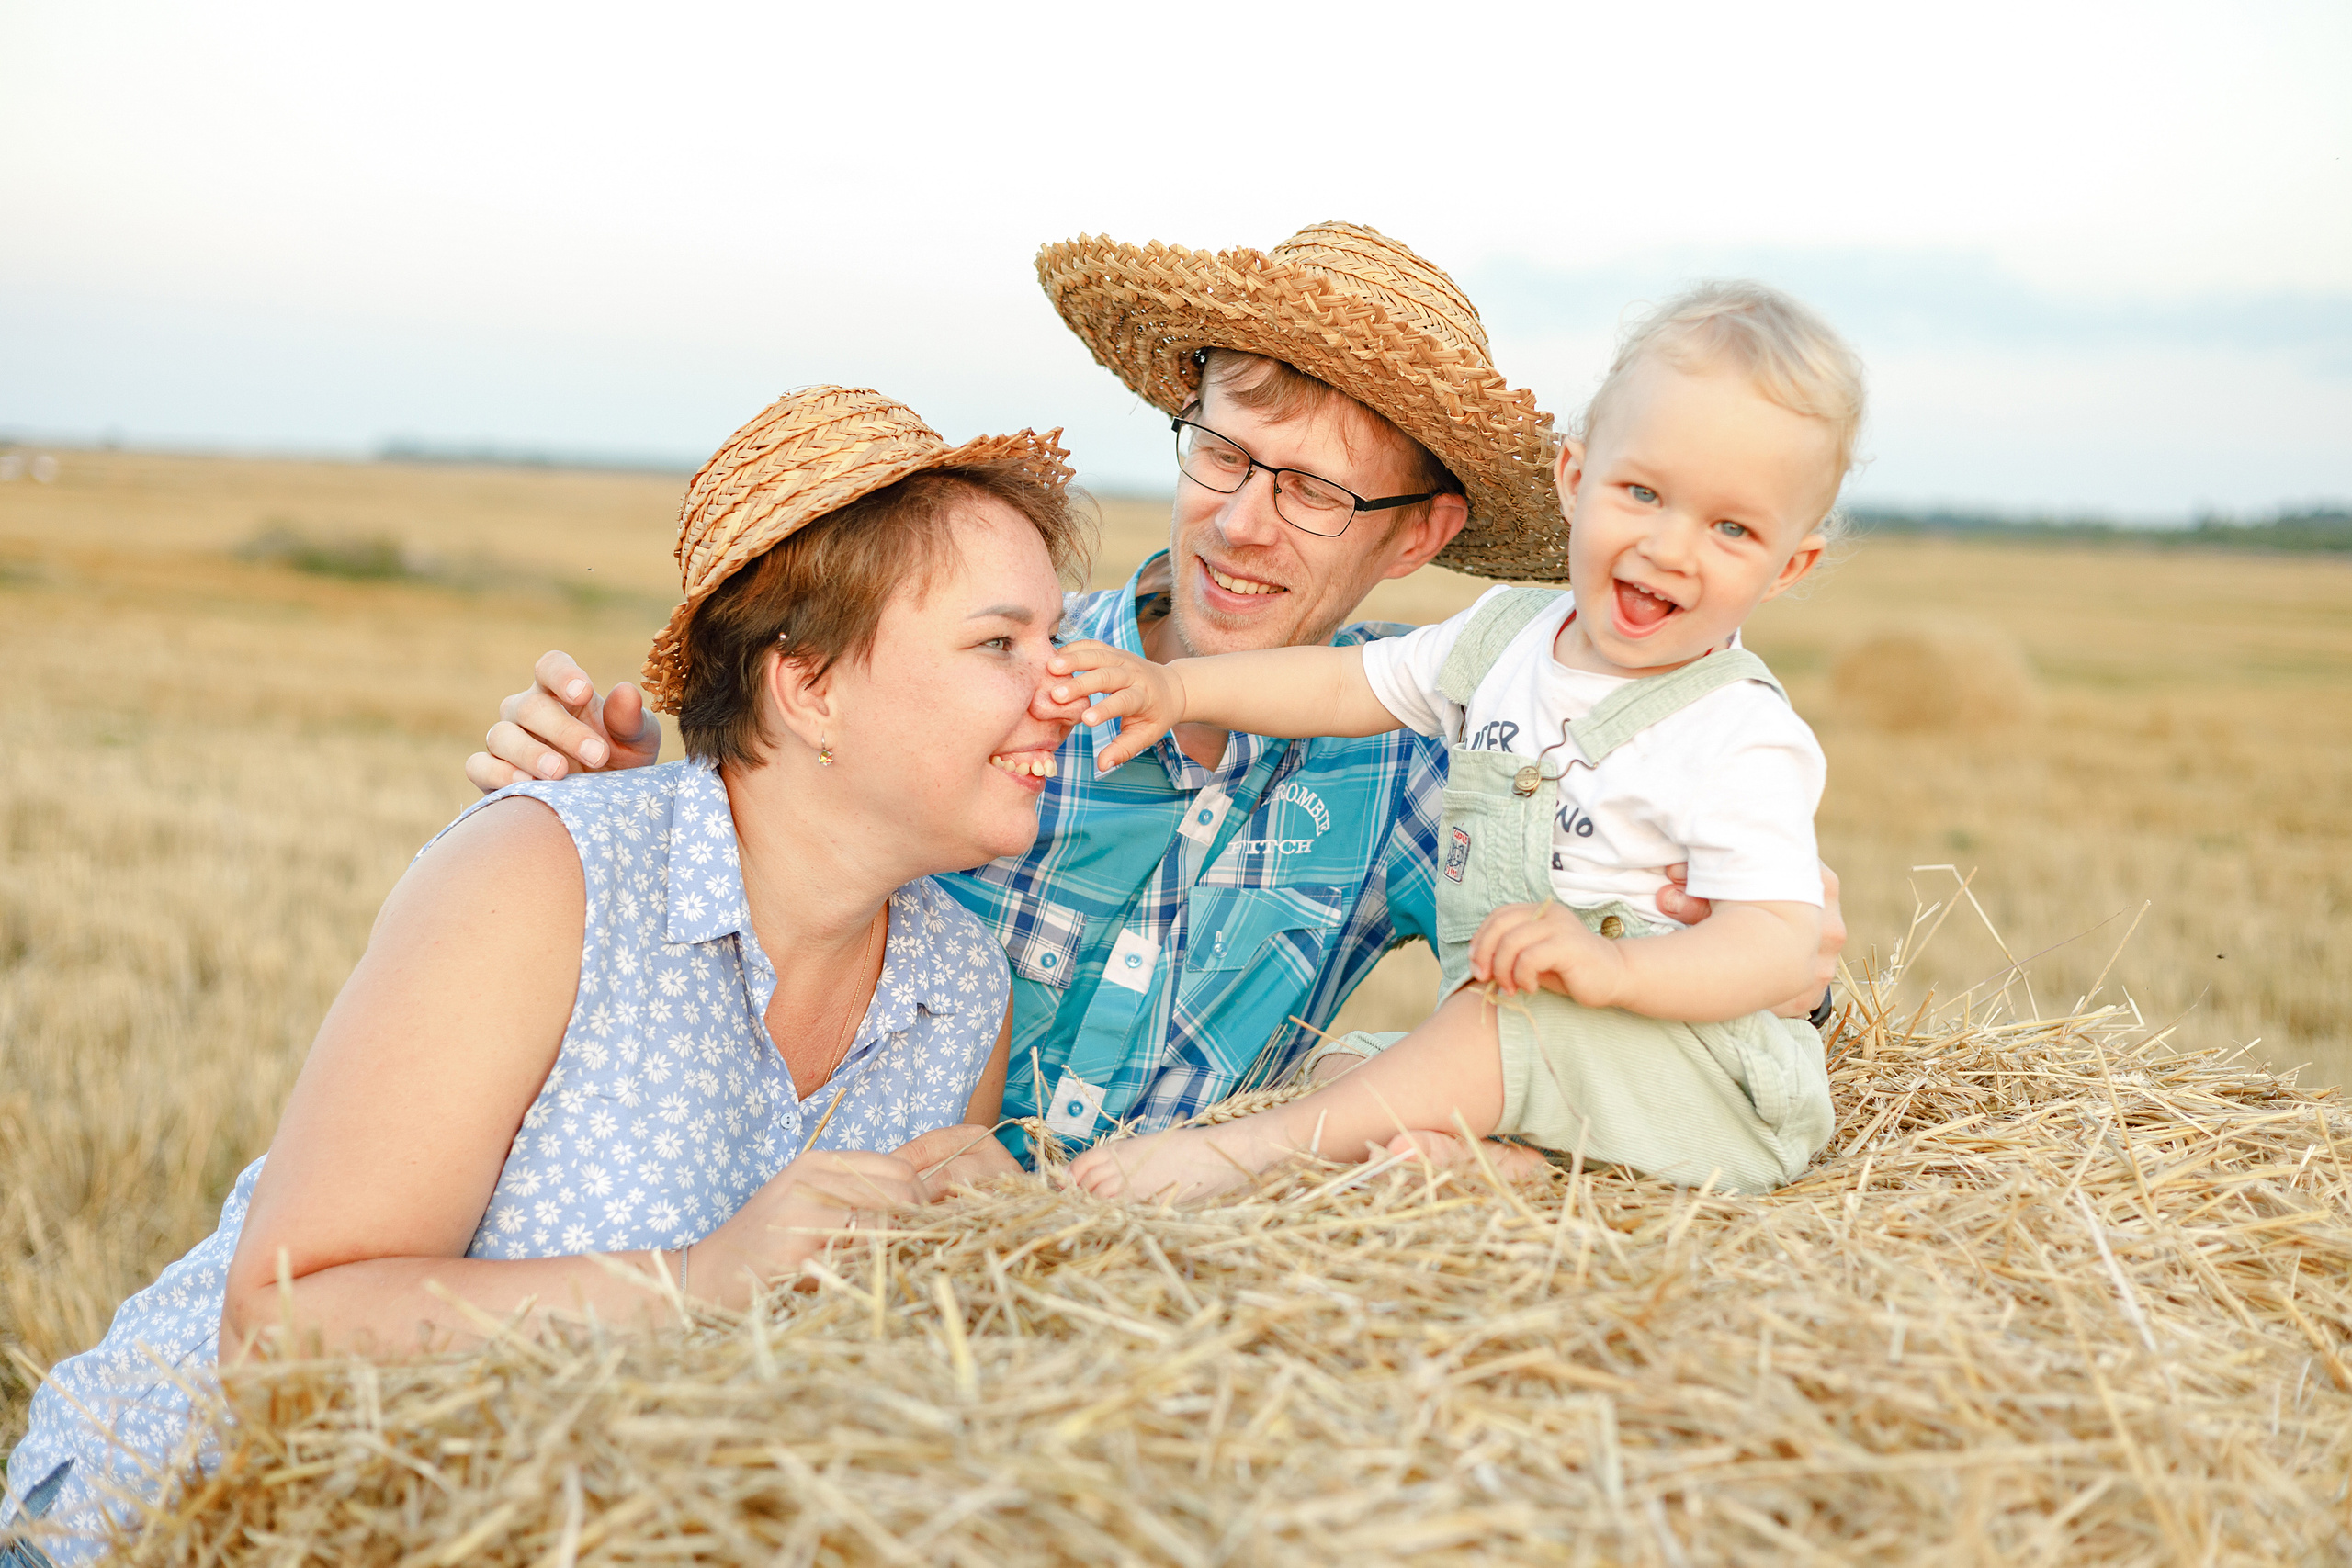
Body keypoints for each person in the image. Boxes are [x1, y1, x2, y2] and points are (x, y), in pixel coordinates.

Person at [467, 223, 1847, 1167]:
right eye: (1225, 456)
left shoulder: (1442, 761)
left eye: (1316, 491)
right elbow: (768, 836)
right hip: (854, 1241)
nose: (1245, 523)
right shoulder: (991, 672)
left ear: (1416, 538)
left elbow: (1624, 999)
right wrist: (626, 818)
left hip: (1136, 1298)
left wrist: (1722, 940)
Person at [1, 388, 1086, 1565]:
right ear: (809, 682)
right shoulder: (545, 871)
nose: (1061, 689)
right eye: (999, 644)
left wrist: (973, 1269)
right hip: (186, 1531)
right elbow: (278, 1333)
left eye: (1056, 640)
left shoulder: (964, 992)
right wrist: (694, 1282)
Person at [1061, 284, 1858, 1201]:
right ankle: (1519, 1171)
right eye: (1642, 493)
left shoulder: (1740, 732)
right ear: (1575, 478)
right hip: (1540, 1052)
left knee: (1474, 1036)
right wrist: (1172, 689)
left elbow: (1780, 947)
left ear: (1788, 564)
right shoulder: (1501, 646)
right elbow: (1338, 686)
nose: (1671, 548)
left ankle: (1245, 1153)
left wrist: (1634, 964)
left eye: (1730, 526)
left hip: (1691, 1075)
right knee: (1350, 1075)